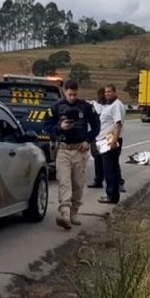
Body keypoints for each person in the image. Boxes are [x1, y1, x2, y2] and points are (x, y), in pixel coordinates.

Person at [43, 80, 100, 230]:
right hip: (63, 149)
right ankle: (65, 214)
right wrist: (60, 127)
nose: (72, 97)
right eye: (70, 94)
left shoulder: (86, 107)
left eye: (75, 94)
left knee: (78, 184)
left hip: (79, 150)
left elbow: (96, 126)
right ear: (65, 92)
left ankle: (74, 213)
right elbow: (46, 126)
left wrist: (88, 140)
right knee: (64, 182)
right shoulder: (56, 107)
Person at [97, 84, 126, 204]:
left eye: (109, 91)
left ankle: (111, 196)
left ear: (115, 92)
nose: (107, 94)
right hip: (105, 140)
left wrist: (114, 140)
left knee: (109, 170)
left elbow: (118, 124)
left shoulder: (116, 105)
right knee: (110, 169)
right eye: (105, 92)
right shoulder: (110, 105)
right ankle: (112, 195)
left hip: (110, 141)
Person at [87, 88, 106, 189]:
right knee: (97, 158)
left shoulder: (109, 106)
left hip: (107, 136)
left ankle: (118, 182)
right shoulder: (93, 105)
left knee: (109, 159)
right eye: (100, 96)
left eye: (103, 96)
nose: (101, 98)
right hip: (95, 136)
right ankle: (98, 180)